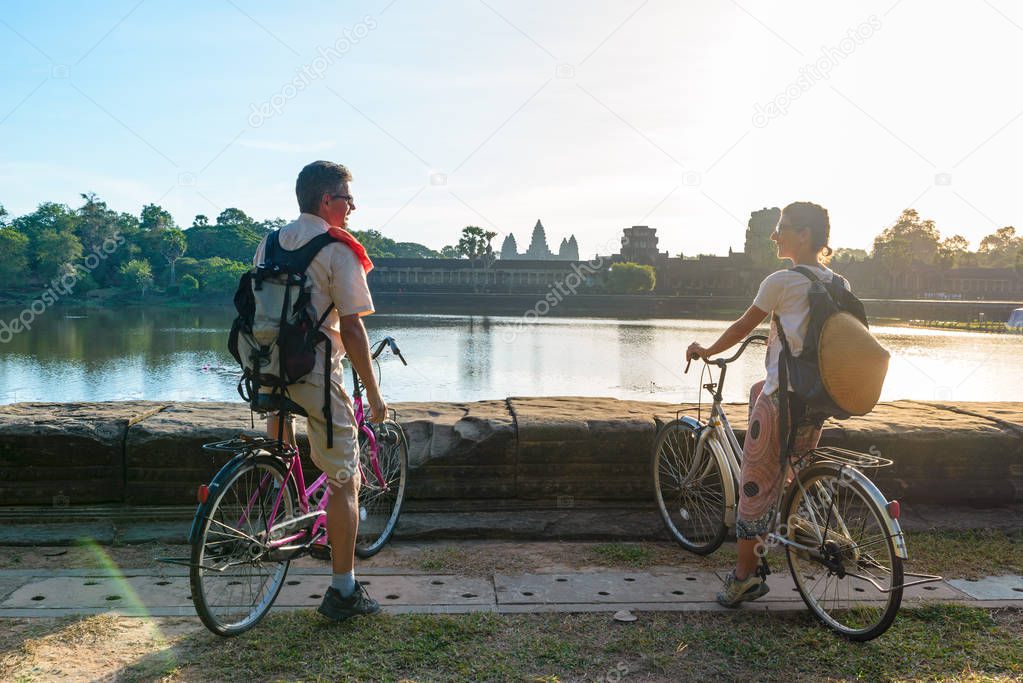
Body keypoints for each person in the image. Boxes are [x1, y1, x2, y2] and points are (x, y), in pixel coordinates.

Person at [686, 201, 840, 607]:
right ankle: (793, 529)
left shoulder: (781, 281)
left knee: (752, 486)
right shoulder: (836, 283)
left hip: (781, 404)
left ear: (803, 235)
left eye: (782, 228)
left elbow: (741, 327)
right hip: (815, 401)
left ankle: (742, 579)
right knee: (788, 472)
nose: (776, 235)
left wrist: (706, 349)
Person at [253, 160, 387, 622]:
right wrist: (372, 392)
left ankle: (287, 506)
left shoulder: (268, 242)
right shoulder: (337, 249)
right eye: (348, 199)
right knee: (344, 479)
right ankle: (343, 591)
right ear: (326, 201)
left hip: (264, 370)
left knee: (286, 452)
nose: (353, 207)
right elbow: (351, 329)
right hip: (312, 372)